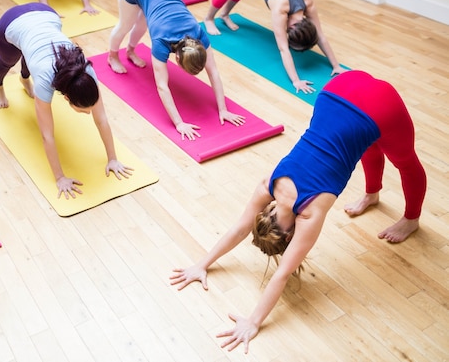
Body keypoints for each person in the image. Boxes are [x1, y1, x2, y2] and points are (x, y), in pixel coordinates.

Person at [170, 70, 426, 353]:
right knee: (359, 139)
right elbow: (239, 228)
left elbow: (282, 274)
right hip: (337, 89)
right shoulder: (268, 186)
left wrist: (253, 322)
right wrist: (200, 264)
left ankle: (411, 219)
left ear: (290, 234)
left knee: (404, 160)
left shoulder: (309, 214)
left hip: (380, 105)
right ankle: (371, 194)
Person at [0, 3, 133, 198]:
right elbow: (47, 136)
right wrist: (59, 177)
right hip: (11, 22)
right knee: (9, 60)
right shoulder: (44, 80)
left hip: (47, 14)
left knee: (31, 49)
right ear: (66, 97)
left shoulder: (87, 73)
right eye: (84, 110)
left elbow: (102, 120)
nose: (88, 113)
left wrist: (113, 159)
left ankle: (24, 78)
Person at [108, 0, 245, 141]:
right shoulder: (161, 42)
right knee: (126, 25)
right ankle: (112, 56)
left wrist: (223, 110)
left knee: (143, 23)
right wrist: (179, 123)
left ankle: (130, 50)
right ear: (177, 58)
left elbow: (214, 73)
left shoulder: (198, 33)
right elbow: (162, 86)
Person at [203, 0, 345, 94]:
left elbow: (320, 36)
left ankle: (224, 14)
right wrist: (296, 81)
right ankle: (209, 18)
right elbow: (283, 49)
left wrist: (336, 65)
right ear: (292, 27)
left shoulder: (307, 2)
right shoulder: (280, 9)